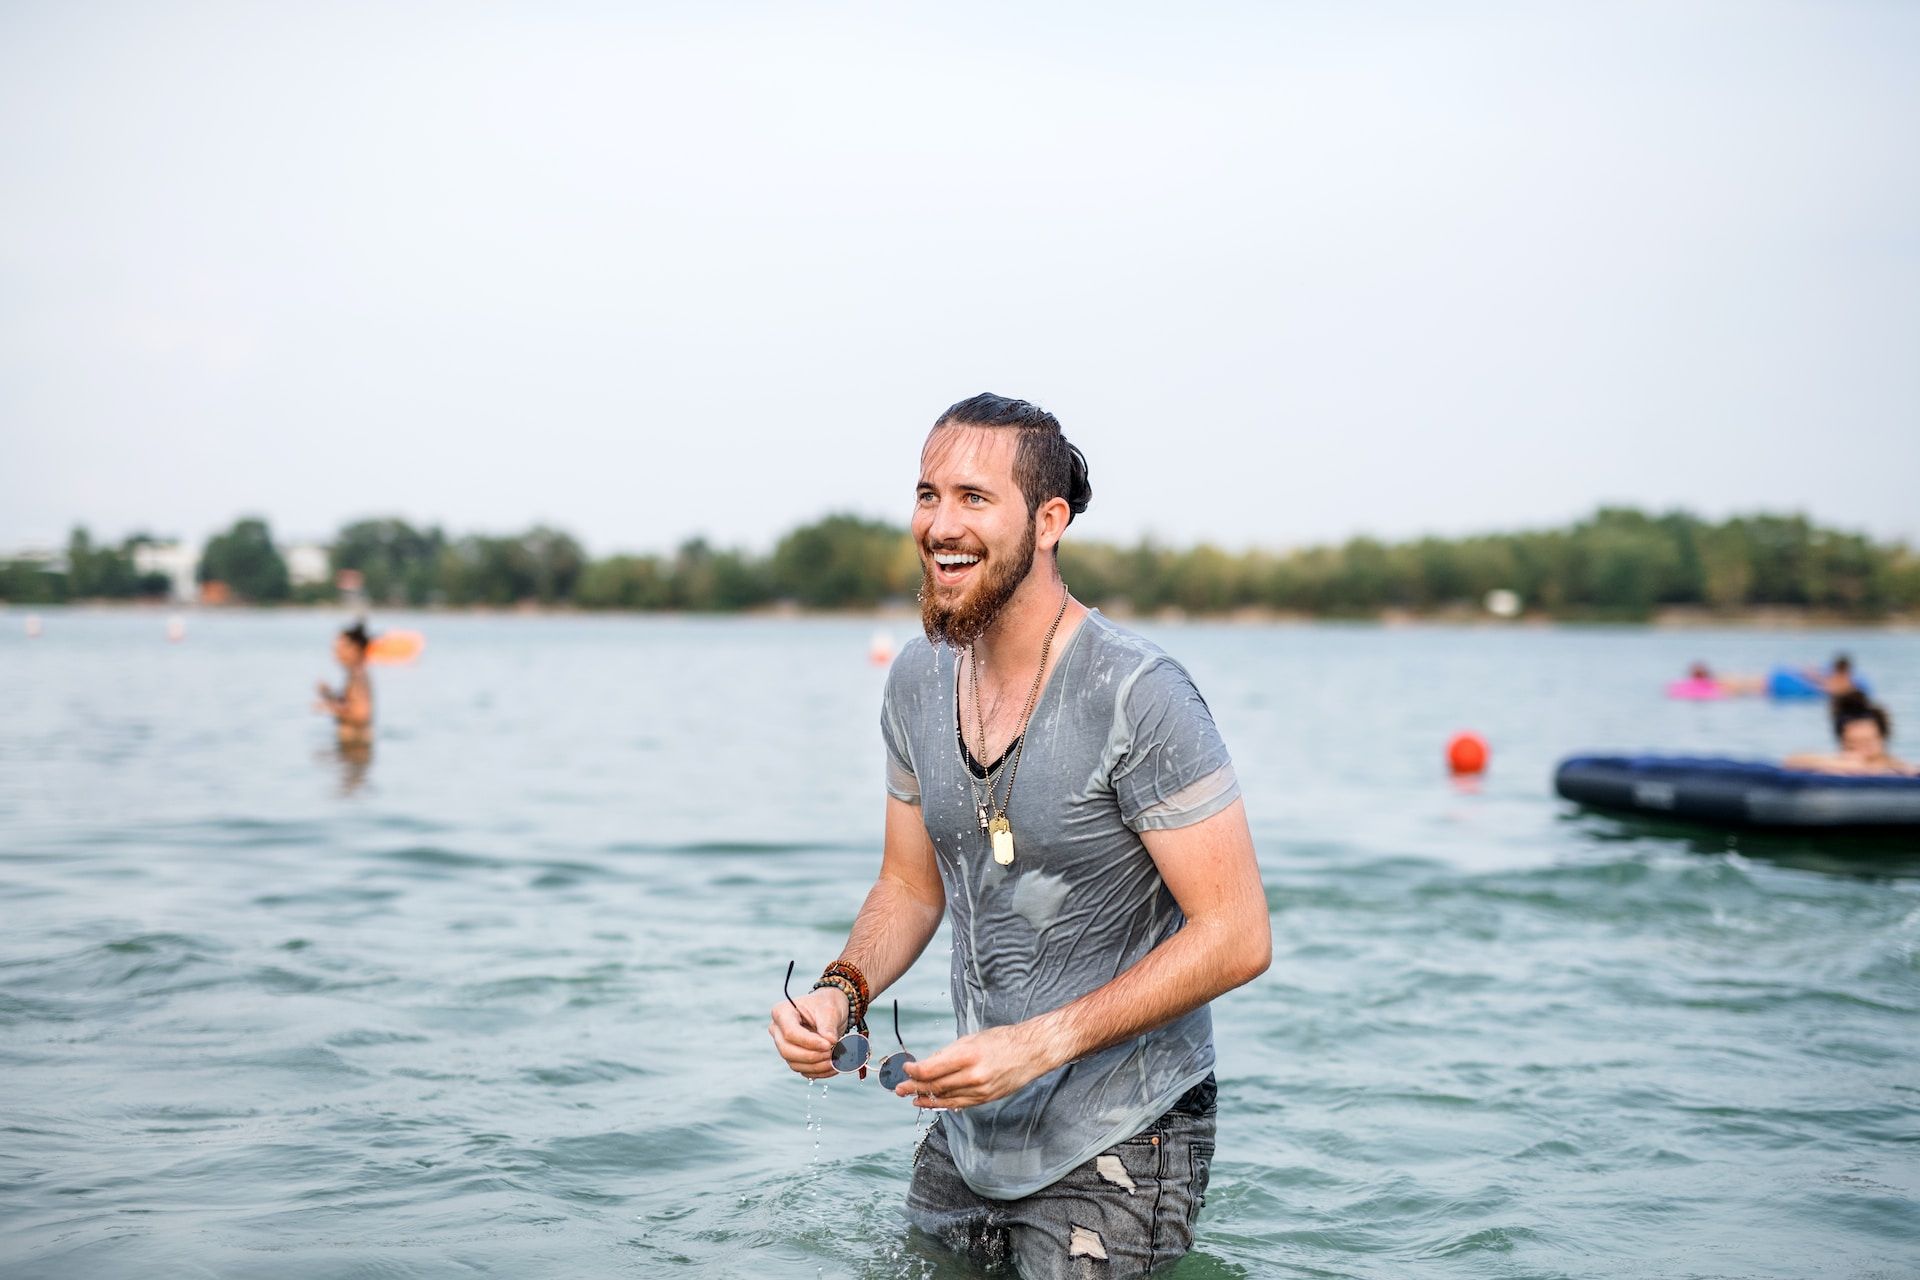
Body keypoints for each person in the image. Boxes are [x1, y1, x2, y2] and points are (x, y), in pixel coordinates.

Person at [767, 394, 1271, 1278]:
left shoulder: (1140, 693)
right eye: (927, 495)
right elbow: (910, 887)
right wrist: (839, 994)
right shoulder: (917, 680)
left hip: (1126, 1136)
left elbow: (1238, 934)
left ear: (1048, 521)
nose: (940, 524)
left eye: (972, 497)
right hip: (967, 1128)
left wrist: (1037, 1044)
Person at [1784, 700, 1917, 776]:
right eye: (1853, 744)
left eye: (1868, 742)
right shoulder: (1837, 762)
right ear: (1842, 742)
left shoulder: (1896, 767)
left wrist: (1866, 768)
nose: (1862, 750)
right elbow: (1791, 761)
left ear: (1882, 738)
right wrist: (1843, 764)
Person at [315, 621, 374, 749]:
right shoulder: (355, 674)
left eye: (340, 648)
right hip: (352, 750)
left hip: (356, 750)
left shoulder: (358, 676)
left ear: (355, 649)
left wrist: (329, 707)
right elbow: (350, 704)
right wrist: (329, 695)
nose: (336, 653)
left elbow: (361, 715)